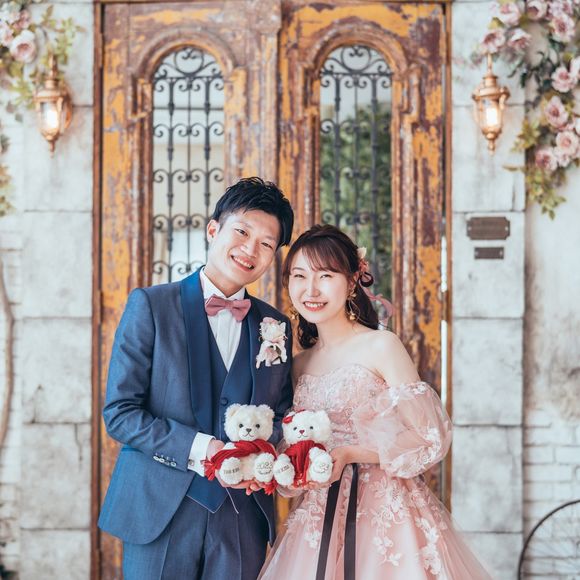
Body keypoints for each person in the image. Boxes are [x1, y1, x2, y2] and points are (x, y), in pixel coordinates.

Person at [259, 224, 492, 579]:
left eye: (325, 276)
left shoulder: (382, 346)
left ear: (352, 280)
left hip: (384, 512)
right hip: (319, 516)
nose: (311, 289)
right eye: (300, 276)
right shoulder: (298, 363)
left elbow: (427, 436)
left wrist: (352, 453)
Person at [98, 177, 295, 579]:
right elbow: (120, 413)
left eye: (266, 244)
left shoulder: (275, 326)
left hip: (242, 516)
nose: (250, 250)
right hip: (160, 508)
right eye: (242, 232)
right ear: (213, 229)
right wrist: (203, 448)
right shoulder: (151, 306)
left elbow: (280, 413)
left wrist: (260, 453)